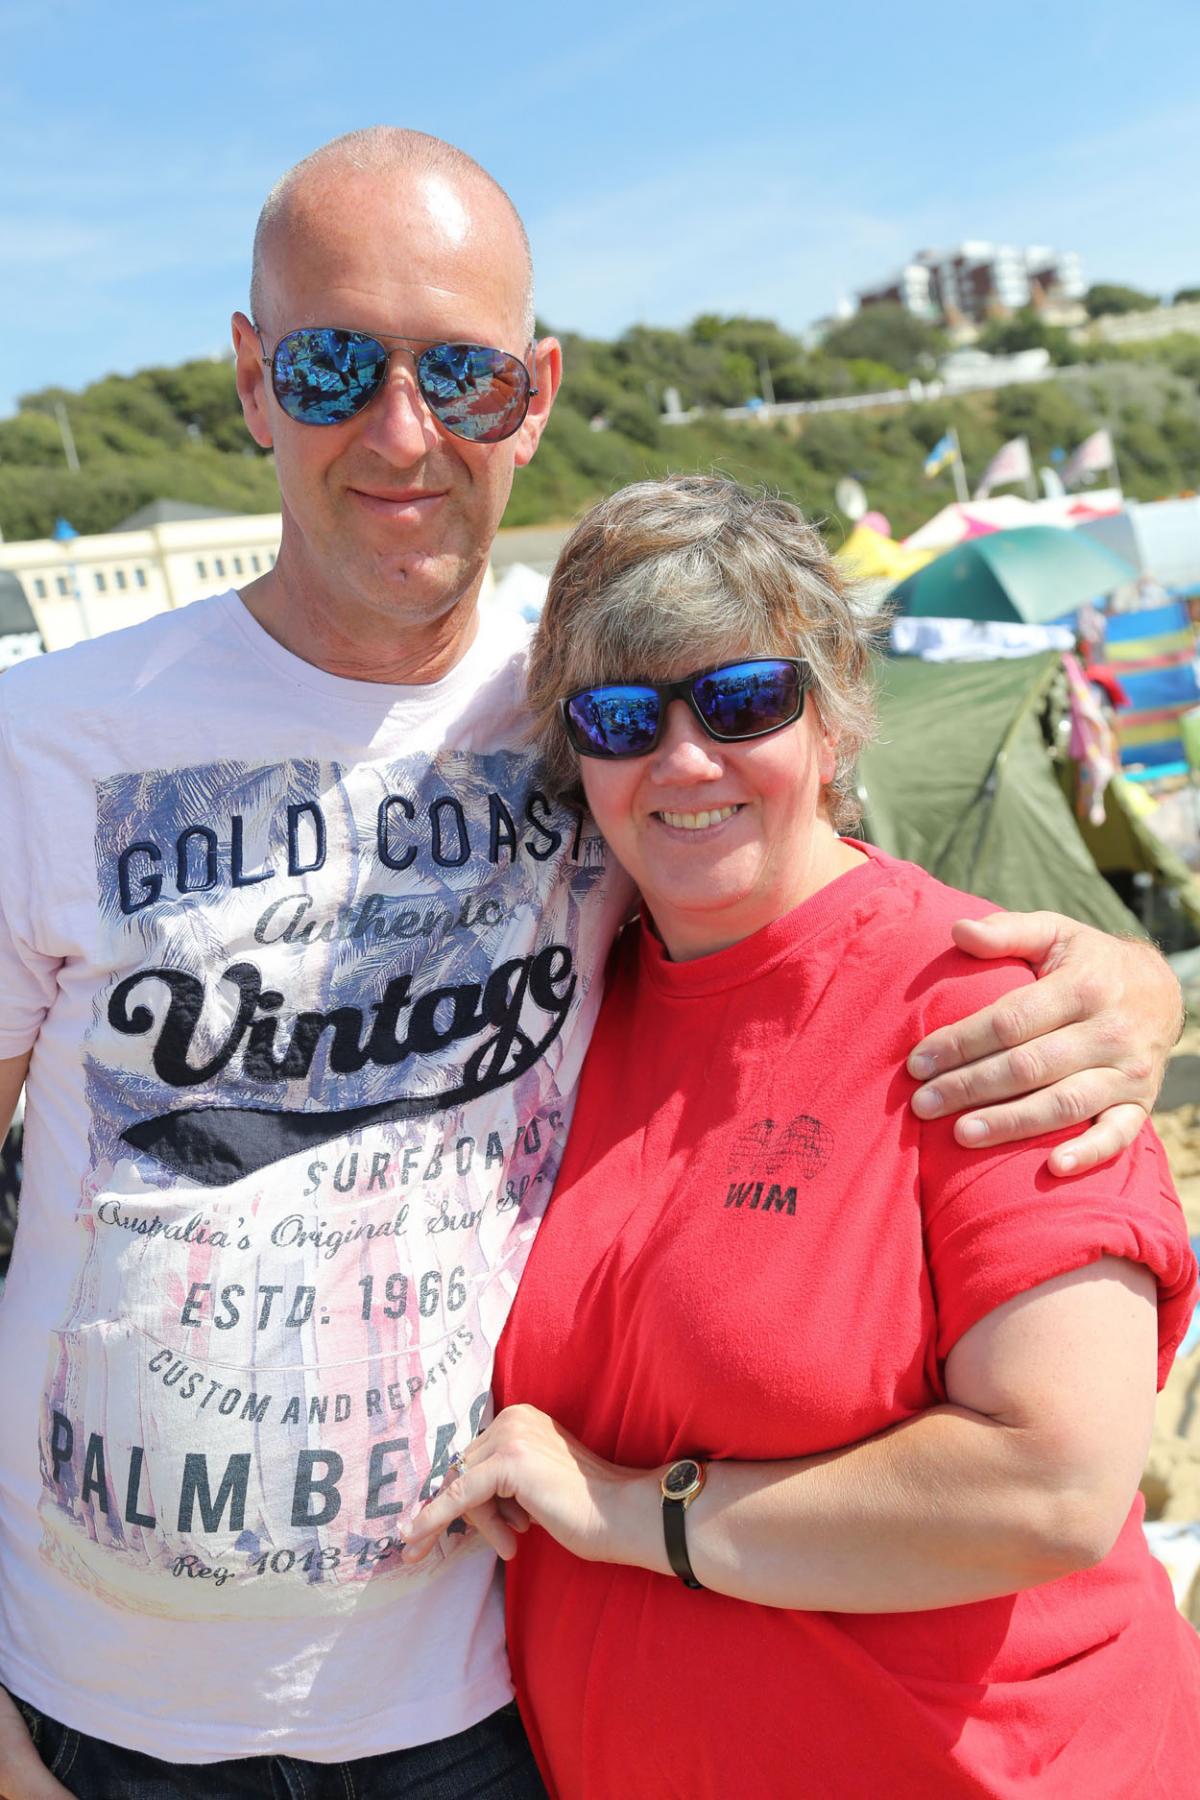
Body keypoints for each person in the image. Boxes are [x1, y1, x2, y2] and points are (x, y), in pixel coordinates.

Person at [0, 130, 1183, 1800]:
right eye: (338, 363)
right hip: (100, 1707)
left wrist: (1135, 980)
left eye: (462, 375)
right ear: (256, 379)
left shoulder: (590, 681)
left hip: (466, 1709)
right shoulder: (41, 745)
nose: (402, 432)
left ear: (533, 395)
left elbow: (830, 916)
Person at [404, 475, 1200, 1799]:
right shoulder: (570, 1010)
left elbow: (1050, 1486)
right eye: (619, 718)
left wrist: (626, 1513)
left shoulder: (991, 1009)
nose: (684, 758)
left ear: (833, 720)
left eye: (742, 700)